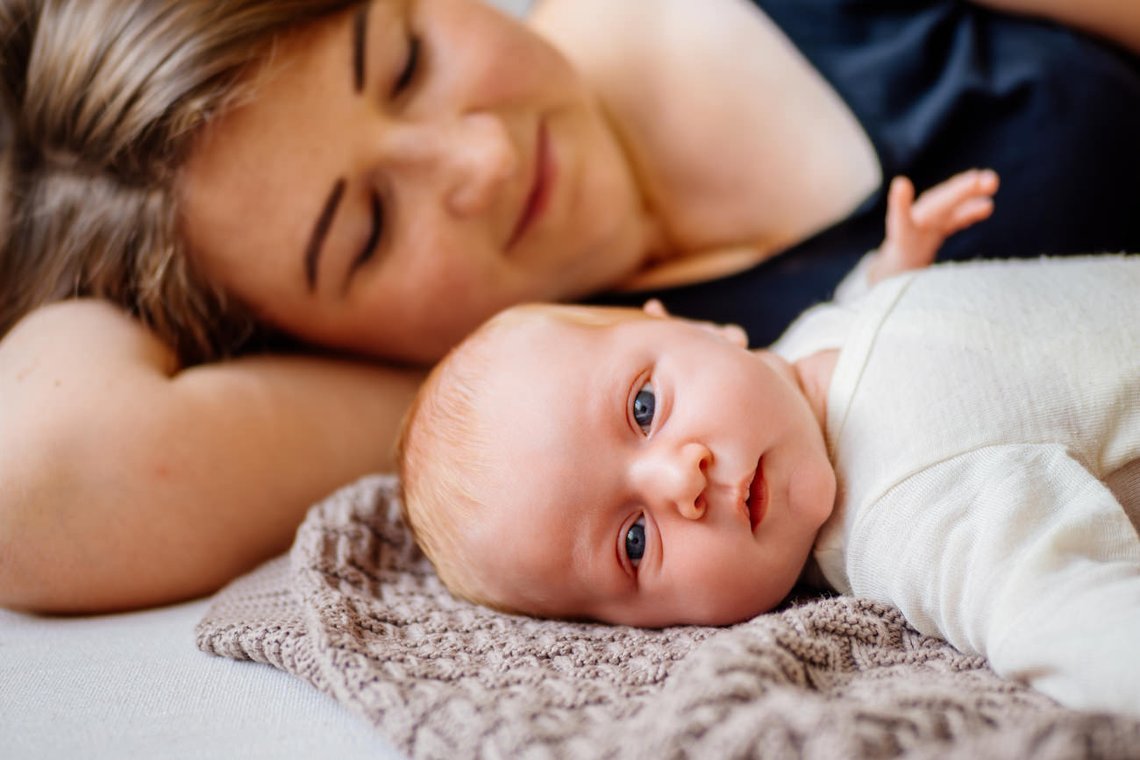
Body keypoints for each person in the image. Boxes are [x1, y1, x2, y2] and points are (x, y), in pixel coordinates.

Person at [2, 0, 1139, 613]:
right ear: (314, 336)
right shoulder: (540, 429)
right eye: (368, 230)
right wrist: (94, 187)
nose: (483, 155)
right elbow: (36, 477)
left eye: (402, 61)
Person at [396, 232, 1140, 716]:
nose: (677, 482)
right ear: (649, 630)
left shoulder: (805, 346)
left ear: (691, 327)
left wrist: (891, 270)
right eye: (632, 541)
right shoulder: (912, 515)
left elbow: (849, 319)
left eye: (645, 407)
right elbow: (1069, 626)